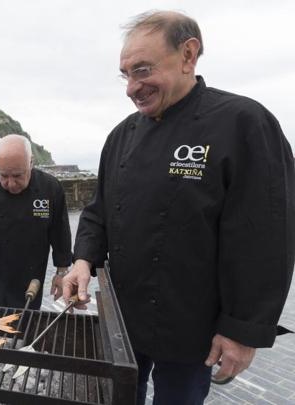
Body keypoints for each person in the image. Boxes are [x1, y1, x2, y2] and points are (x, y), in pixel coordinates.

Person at [62, 10, 295, 405]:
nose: (132, 87)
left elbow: (267, 237)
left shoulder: (244, 123)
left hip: (194, 326)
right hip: (123, 317)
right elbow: (99, 211)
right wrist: (82, 261)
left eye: (143, 70)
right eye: (126, 74)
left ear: (188, 55)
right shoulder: (121, 136)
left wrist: (242, 330)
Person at [0, 134, 72, 309]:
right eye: (3, 176)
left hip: (31, 277)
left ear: (31, 163)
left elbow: (60, 233)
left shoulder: (50, 188)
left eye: (18, 175)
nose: (11, 183)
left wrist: (62, 273)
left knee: (28, 323)